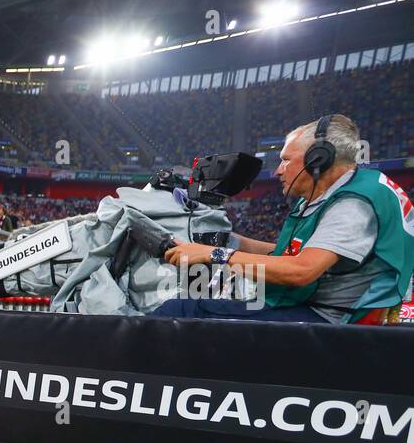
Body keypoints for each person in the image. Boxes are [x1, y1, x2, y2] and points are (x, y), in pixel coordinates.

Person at [154, 114, 414, 323]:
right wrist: (228, 241)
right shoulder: (352, 188)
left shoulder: (352, 205)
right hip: (329, 307)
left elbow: (302, 271)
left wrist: (215, 255)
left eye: (286, 160)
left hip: (324, 318)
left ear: (318, 159)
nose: (278, 170)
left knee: (182, 309)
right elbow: (294, 255)